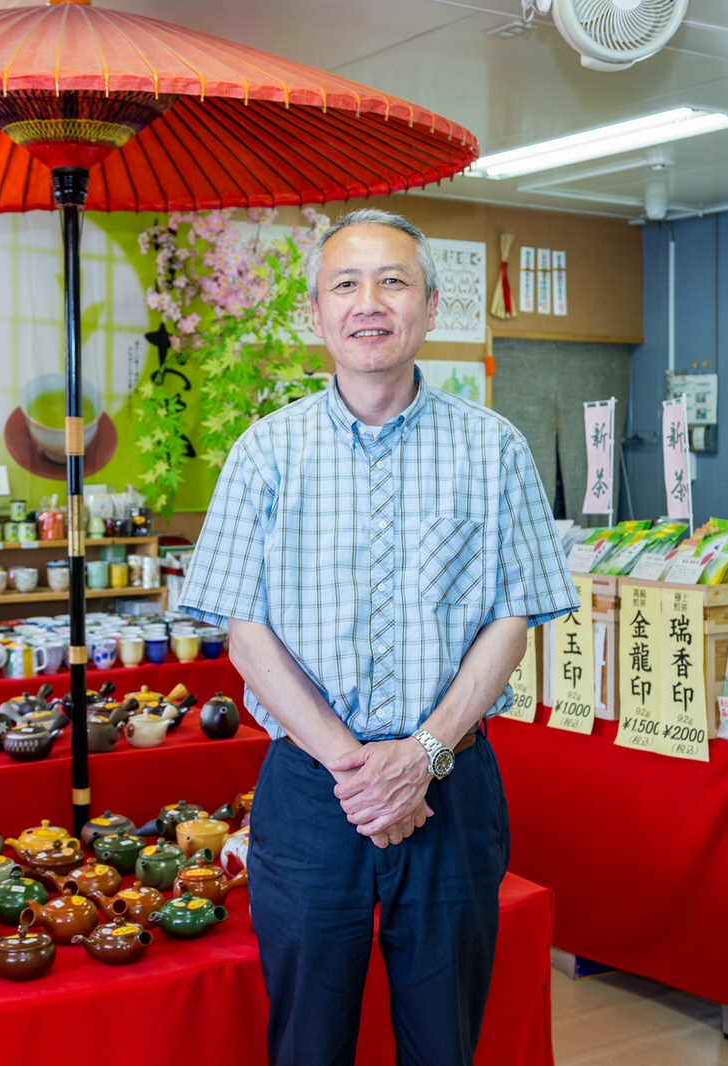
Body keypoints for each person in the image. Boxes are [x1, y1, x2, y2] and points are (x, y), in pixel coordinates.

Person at [178, 207, 576, 1066]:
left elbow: (517, 612)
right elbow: (242, 630)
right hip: (312, 791)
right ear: (314, 316)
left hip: (452, 787)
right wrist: (359, 771)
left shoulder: (494, 449)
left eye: (393, 281)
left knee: (444, 1040)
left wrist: (423, 754)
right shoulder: (265, 453)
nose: (370, 302)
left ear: (431, 308)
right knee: (307, 1040)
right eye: (346, 284)